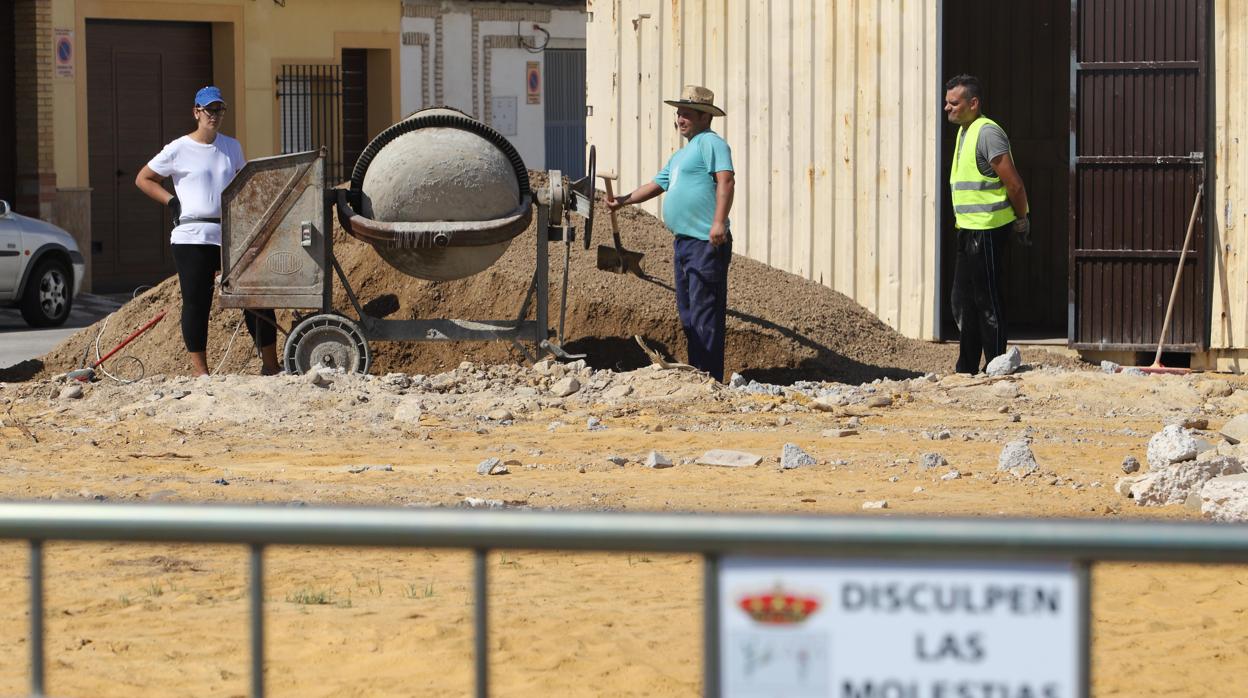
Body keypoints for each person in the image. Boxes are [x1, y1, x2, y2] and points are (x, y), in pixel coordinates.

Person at [136, 86, 280, 376]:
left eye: (219, 110)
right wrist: (171, 201)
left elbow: (243, 185)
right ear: (196, 113)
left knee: (255, 296)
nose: (214, 116)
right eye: (208, 110)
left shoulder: (231, 147)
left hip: (228, 233)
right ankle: (201, 373)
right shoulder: (178, 148)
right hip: (192, 236)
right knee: (197, 302)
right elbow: (144, 178)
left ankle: (271, 365)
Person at [608, 85, 735, 381]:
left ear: (705, 117)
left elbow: (726, 181)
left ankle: (709, 378)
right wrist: (623, 201)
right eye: (679, 113)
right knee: (689, 315)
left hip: (706, 242)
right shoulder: (681, 156)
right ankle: (696, 375)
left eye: (687, 113)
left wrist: (719, 222)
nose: (680, 118)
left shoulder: (711, 143)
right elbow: (656, 184)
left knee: (705, 314)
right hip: (683, 244)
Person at [943, 74, 1030, 375]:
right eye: (947, 102)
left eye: (954, 103)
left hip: (988, 229)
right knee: (965, 301)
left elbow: (1014, 185)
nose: (947, 108)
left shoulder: (987, 133)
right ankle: (966, 368)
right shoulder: (965, 131)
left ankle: (996, 365)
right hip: (968, 229)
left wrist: (1021, 219)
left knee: (986, 299)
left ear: (973, 103)